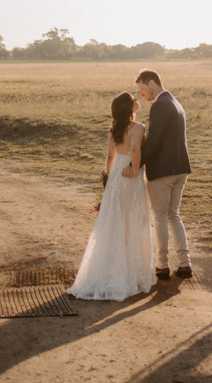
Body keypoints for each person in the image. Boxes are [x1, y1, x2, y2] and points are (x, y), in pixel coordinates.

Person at [67, 92, 156, 301]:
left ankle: (111, 269)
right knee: (132, 219)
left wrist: (108, 182)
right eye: (134, 99)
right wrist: (134, 169)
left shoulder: (114, 130)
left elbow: (110, 157)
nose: (137, 100)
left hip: (116, 176)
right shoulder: (138, 128)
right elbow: (135, 148)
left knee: (114, 222)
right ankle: (130, 272)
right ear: (129, 107)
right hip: (130, 177)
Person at [123, 69, 192, 281]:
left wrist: (136, 164)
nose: (141, 94)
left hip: (163, 171)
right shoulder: (175, 102)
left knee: (160, 217)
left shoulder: (160, 106)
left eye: (142, 89)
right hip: (180, 169)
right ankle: (184, 263)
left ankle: (162, 266)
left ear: (152, 83)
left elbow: (154, 141)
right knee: (173, 215)